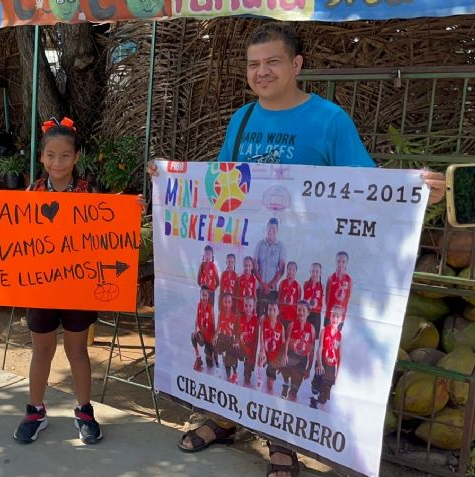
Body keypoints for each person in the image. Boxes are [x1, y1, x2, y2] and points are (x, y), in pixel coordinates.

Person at [146, 21, 446, 477]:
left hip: (296, 273)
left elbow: (366, 186)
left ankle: (281, 442)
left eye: (272, 62)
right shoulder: (243, 119)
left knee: (281, 350)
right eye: (253, 64)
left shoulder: (329, 120)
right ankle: (225, 418)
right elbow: (224, 183)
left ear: (296, 65)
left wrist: (416, 190)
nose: (261, 72)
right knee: (239, 339)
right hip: (248, 267)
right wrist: (170, 178)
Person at [0, 116, 146, 445]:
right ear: (41, 158)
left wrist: (131, 209)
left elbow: (108, 230)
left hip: (78, 287)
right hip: (39, 287)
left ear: (76, 157)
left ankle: (84, 410)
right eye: (51, 155)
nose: (57, 162)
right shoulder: (30, 193)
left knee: (77, 350)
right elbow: (11, 230)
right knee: (42, 350)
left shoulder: (90, 195)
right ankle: (35, 411)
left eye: (65, 155)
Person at [281, 301, 315, 401]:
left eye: (304, 310)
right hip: (291, 356)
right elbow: (286, 342)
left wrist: (308, 368)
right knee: (284, 369)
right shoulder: (291, 325)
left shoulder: (311, 328)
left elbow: (312, 351)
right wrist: (284, 356)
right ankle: (285, 383)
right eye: (299, 310)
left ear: (308, 312)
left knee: (294, 390)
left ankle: (291, 397)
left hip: (302, 361)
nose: (301, 312)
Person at [311, 305, 343, 410]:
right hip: (322, 362)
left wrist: (337, 375)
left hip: (331, 365)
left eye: (337, 317)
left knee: (326, 388)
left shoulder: (340, 336)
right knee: (317, 382)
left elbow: (339, 357)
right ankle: (314, 396)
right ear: (330, 317)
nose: (335, 318)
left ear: (341, 319)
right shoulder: (324, 331)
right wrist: (319, 364)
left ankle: (321, 403)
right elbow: (320, 348)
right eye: (333, 315)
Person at [253, 218, 286, 317]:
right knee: (258, 316)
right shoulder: (259, 245)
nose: (271, 231)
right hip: (259, 288)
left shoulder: (281, 246)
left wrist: (270, 286)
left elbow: (282, 270)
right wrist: (262, 284)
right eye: (270, 228)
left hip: (272, 290)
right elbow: (254, 267)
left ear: (277, 231)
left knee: (270, 317)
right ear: (266, 228)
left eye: (274, 229)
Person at [259, 301, 286, 396]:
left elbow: (283, 343)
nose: (272, 312)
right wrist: (262, 350)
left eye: (274, 310)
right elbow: (261, 336)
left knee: (270, 382)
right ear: (267, 311)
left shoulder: (281, 326)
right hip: (265, 352)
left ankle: (269, 392)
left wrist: (281, 358)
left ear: (278, 312)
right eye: (270, 309)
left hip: (275, 356)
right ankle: (259, 379)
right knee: (260, 362)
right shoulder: (264, 322)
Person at [237, 296, 260, 387]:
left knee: (248, 371)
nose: (248, 308)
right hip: (242, 347)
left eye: (250, 306)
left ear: (253, 307)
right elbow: (237, 332)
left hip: (250, 350)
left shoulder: (256, 321)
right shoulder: (240, 318)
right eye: (246, 305)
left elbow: (257, 339)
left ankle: (247, 379)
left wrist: (254, 355)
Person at [215, 293, 239, 383]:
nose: (227, 304)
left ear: (232, 303)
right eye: (225, 302)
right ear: (222, 303)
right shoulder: (221, 314)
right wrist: (214, 336)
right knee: (225, 359)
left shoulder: (234, 316)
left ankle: (235, 372)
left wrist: (236, 342)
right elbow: (218, 328)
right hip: (223, 338)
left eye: (229, 302)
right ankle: (228, 374)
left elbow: (237, 332)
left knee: (232, 358)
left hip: (231, 340)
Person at [193, 287, 217, 372]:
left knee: (210, 365)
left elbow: (214, 324)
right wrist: (195, 330)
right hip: (202, 334)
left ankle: (212, 354)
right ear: (200, 295)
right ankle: (198, 358)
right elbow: (197, 318)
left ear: (208, 296)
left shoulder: (210, 308)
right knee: (193, 336)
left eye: (205, 295)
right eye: (202, 295)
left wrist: (214, 338)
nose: (204, 297)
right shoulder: (199, 305)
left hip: (209, 337)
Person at [325, 251, 352, 328]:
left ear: (347, 263)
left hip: (340, 315)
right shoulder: (330, 278)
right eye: (339, 261)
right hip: (330, 313)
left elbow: (348, 297)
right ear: (335, 262)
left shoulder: (349, 280)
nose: (340, 264)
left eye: (343, 262)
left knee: (336, 337)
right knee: (326, 334)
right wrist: (329, 308)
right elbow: (327, 296)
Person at [303, 263, 324, 338]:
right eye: (313, 271)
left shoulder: (322, 286)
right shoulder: (305, 284)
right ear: (310, 271)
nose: (314, 273)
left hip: (316, 315)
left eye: (317, 271)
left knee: (314, 337)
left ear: (320, 273)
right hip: (307, 314)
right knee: (305, 335)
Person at [277, 261, 300, 326]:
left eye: (293, 270)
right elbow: (278, 299)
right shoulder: (282, 283)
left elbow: (298, 303)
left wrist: (297, 317)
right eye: (289, 269)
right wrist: (278, 314)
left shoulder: (298, 286)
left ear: (296, 272)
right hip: (282, 315)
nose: (291, 272)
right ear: (286, 270)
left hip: (292, 317)